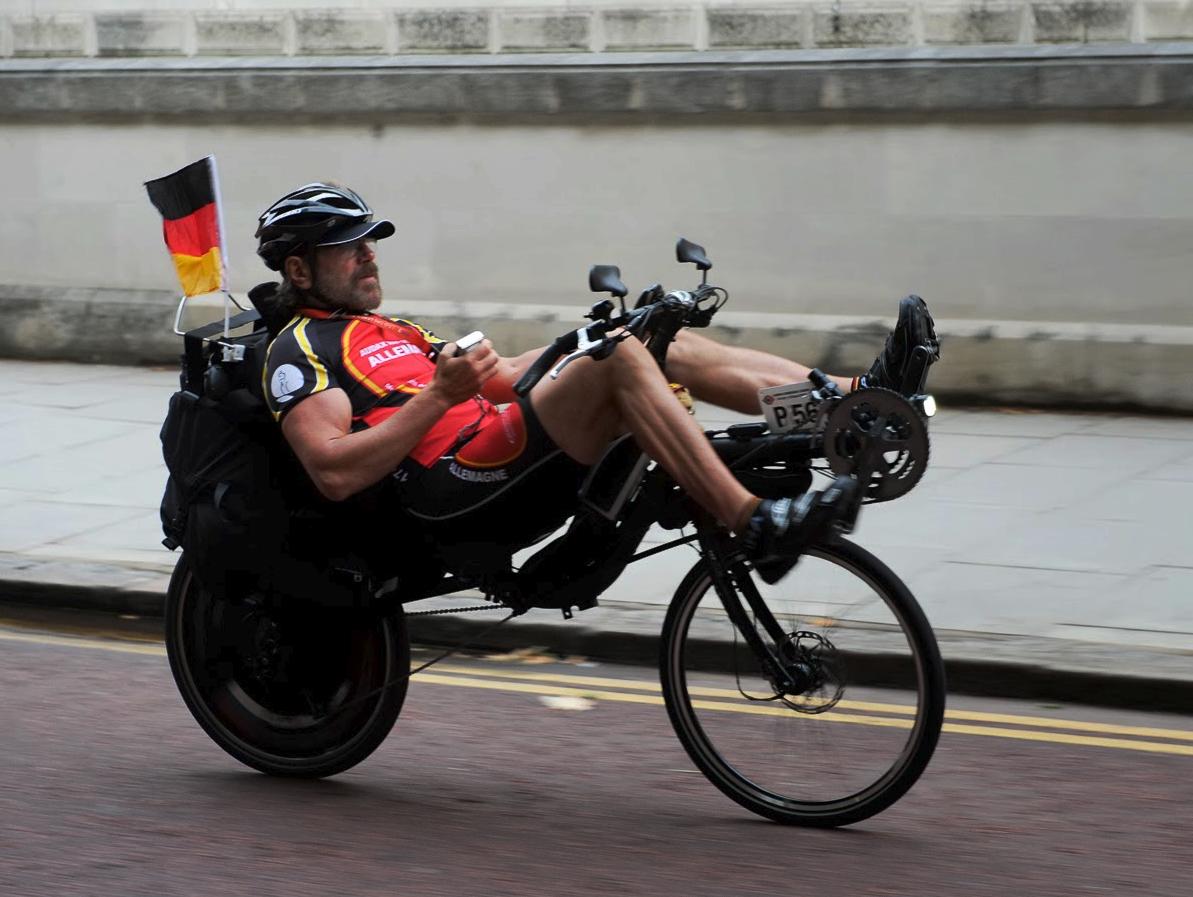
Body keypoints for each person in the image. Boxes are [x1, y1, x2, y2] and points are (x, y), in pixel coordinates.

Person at [253, 183, 937, 584]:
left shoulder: (394, 330)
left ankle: (853, 404)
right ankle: (753, 522)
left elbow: (501, 381)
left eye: (368, 239)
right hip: (449, 494)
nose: (368, 251)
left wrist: (578, 340)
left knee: (651, 342)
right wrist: (440, 395)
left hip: (493, 445)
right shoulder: (297, 349)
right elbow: (334, 473)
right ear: (301, 271)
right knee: (618, 361)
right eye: (347, 244)